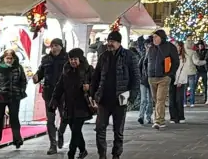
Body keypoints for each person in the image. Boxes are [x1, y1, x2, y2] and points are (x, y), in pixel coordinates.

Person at [90, 31, 139, 159]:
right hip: (104, 98)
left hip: (121, 98)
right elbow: (96, 76)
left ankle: (116, 154)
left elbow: (135, 77)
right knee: (100, 128)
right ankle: (102, 155)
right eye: (109, 41)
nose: (109, 44)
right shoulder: (104, 56)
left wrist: (132, 96)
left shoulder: (129, 56)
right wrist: (92, 93)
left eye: (112, 41)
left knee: (118, 130)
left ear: (118, 42)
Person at [49, 48, 93, 159]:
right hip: (69, 106)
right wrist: (54, 100)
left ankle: (71, 154)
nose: (73, 61)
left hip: (82, 105)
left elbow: (98, 85)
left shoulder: (88, 70)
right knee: (75, 130)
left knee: (76, 130)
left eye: (75, 59)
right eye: (71, 59)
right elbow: (59, 86)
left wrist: (89, 87)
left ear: (80, 59)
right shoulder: (66, 70)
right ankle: (83, 150)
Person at [0, 49, 29, 148]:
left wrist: (21, 90)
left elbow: (23, 81)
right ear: (4, 58)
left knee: (14, 118)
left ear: (14, 58)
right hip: (1, 97)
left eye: (11, 58)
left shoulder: (18, 68)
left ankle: (17, 140)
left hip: (14, 97)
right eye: (7, 58)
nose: (9, 60)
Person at [36, 38, 69, 154]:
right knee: (50, 120)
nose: (54, 48)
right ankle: (53, 145)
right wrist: (36, 77)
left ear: (61, 46)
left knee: (65, 117)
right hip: (49, 93)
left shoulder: (67, 58)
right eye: (52, 46)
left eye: (56, 45)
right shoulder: (46, 59)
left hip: (64, 94)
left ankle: (60, 133)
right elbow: (40, 72)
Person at [145, 29, 178, 129]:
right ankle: (161, 119)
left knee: (160, 99)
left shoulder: (169, 47)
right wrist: (147, 73)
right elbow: (146, 61)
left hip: (164, 77)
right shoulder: (151, 48)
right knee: (156, 100)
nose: (154, 39)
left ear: (161, 37)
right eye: (153, 37)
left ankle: (158, 121)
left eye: (156, 37)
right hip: (152, 77)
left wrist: (170, 74)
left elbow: (176, 61)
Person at [177, 39, 203, 108]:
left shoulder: (183, 52)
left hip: (184, 72)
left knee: (184, 89)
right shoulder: (193, 52)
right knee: (192, 88)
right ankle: (192, 103)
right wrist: (204, 62)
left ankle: (184, 102)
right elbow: (196, 62)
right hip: (191, 72)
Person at [133, 37, 152, 126]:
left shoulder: (154, 55)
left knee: (150, 101)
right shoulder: (143, 55)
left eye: (149, 45)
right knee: (144, 100)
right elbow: (139, 67)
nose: (148, 46)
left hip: (151, 80)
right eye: (146, 45)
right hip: (143, 80)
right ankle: (141, 117)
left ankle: (148, 117)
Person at [170, 41, 189, 123]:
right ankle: (173, 117)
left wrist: (180, 81)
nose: (177, 47)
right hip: (171, 79)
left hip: (180, 80)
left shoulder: (185, 58)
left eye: (178, 46)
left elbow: (185, 70)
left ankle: (181, 116)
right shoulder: (171, 56)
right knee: (172, 99)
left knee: (179, 99)